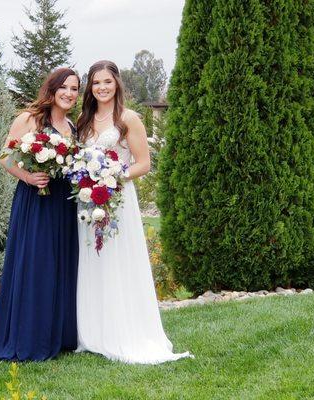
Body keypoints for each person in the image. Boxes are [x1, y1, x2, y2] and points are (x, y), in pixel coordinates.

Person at [75, 60, 193, 364]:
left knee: (118, 260)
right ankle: (94, 333)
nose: (101, 87)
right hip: (88, 199)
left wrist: (113, 175)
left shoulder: (128, 119)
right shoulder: (84, 119)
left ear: (117, 84)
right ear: (90, 86)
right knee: (93, 261)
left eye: (107, 82)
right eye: (96, 82)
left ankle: (124, 332)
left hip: (117, 197)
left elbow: (144, 163)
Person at [0, 68, 80, 361]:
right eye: (64, 87)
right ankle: (28, 337)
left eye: (74, 89)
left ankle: (59, 336)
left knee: (60, 264)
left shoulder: (71, 126)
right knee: (36, 264)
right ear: (51, 89)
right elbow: (5, 156)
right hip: (35, 199)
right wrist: (27, 177)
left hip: (63, 202)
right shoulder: (30, 118)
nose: (69, 94)